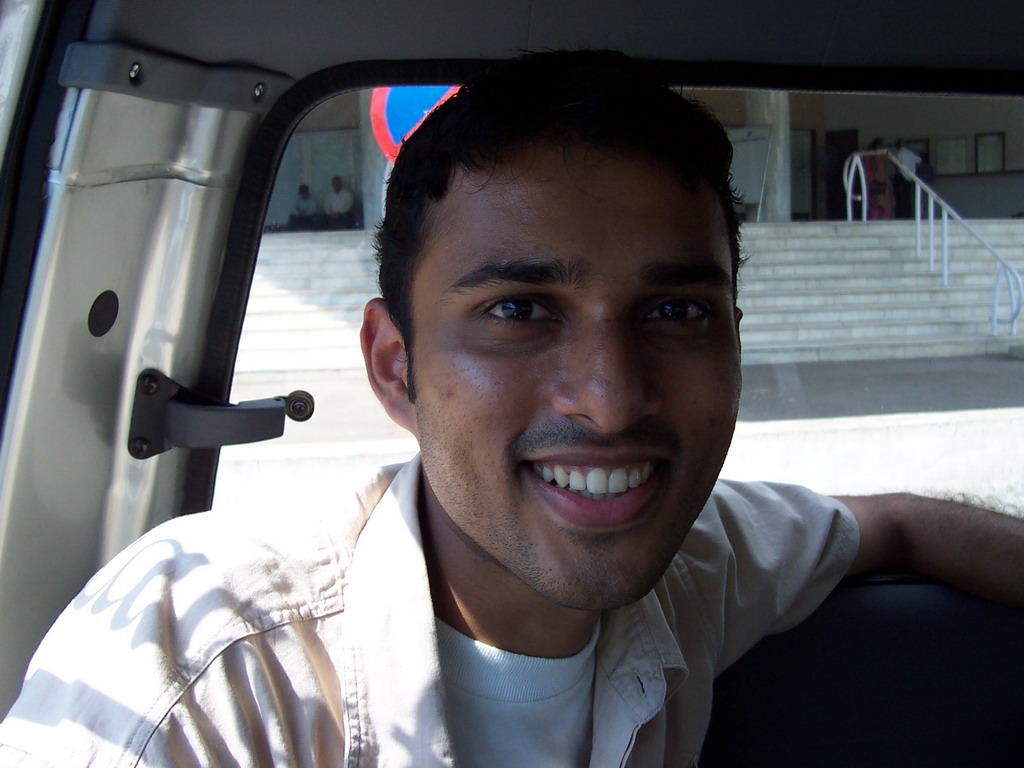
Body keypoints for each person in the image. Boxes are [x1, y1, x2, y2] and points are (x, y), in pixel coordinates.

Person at [2, 50, 1023, 767]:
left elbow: (892, 526)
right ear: (395, 368)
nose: (613, 399)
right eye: (520, 310)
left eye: (673, 310)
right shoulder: (198, 671)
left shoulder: (699, 564)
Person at [865, 137, 894, 220]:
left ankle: (874, 220)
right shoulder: (881, 154)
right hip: (881, 181)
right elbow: (890, 159)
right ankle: (884, 220)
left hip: (873, 181)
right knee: (885, 203)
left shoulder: (869, 155)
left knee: (875, 203)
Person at [893, 139, 923, 219]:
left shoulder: (901, 153)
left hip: (902, 177)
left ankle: (901, 215)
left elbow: (896, 162)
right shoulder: (910, 153)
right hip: (910, 178)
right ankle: (909, 215)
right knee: (908, 198)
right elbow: (920, 161)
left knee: (901, 198)